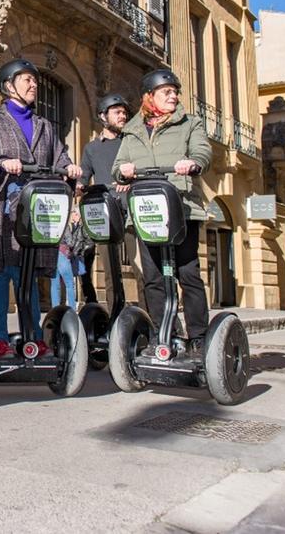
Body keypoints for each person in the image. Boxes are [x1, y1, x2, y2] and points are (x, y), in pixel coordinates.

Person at [0, 59, 81, 359]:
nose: (34, 85)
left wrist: (69, 168)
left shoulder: (43, 125)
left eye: (35, 80)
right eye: (27, 80)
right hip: (0, 213)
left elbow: (60, 157)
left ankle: (32, 336)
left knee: (27, 276)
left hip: (33, 213)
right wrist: (2, 163)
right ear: (8, 86)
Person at [111, 69, 212, 355]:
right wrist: (123, 170)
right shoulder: (132, 131)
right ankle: (162, 333)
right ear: (149, 96)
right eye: (166, 91)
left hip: (182, 207)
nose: (174, 96)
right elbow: (117, 167)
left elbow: (203, 152)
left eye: (175, 92)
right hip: (147, 212)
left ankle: (198, 337)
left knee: (188, 274)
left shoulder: (190, 123)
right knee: (154, 276)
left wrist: (192, 162)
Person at [79, 92, 144, 304]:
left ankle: (151, 318)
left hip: (133, 211)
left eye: (125, 113)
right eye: (117, 112)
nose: (123, 116)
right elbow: (84, 175)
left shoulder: (132, 143)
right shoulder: (92, 148)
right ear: (103, 116)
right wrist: (78, 186)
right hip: (106, 211)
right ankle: (115, 316)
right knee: (110, 271)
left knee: (142, 268)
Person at [50, 206, 86, 310]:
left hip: (52, 254)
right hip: (63, 254)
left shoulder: (51, 224)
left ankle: (55, 309)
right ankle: (72, 308)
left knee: (54, 284)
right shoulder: (63, 225)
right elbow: (70, 242)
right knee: (69, 284)